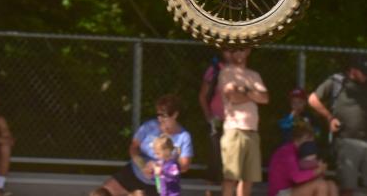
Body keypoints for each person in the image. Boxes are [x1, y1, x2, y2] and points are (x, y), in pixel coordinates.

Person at [308, 55, 367, 196]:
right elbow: (313, 99)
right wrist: (329, 117)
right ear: (353, 70)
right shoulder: (337, 81)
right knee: (347, 186)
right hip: (346, 140)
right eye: (363, 72)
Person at [101, 94, 192, 196]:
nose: (160, 119)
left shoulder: (184, 136)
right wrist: (142, 165)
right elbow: (134, 147)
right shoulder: (149, 126)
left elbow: (184, 166)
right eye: (158, 114)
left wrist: (161, 168)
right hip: (134, 172)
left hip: (159, 184)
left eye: (164, 115)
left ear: (175, 115)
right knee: (102, 193)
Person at [218, 48, 268, 196]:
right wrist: (252, 93)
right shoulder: (226, 73)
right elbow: (233, 97)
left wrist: (243, 90)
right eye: (234, 51)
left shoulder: (254, 75)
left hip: (252, 131)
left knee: (248, 179)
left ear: (248, 51)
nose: (238, 54)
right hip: (234, 130)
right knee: (230, 178)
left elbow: (265, 98)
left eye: (241, 50)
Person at [267, 121, 337, 196]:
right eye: (307, 139)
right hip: (280, 193)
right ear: (297, 139)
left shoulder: (302, 153)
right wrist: (317, 171)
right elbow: (296, 178)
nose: (310, 144)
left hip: (294, 189)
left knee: (331, 184)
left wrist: (319, 169)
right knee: (321, 185)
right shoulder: (287, 152)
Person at [199, 50, 231, 186]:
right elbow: (202, 95)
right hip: (217, 119)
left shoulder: (242, 70)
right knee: (215, 158)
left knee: (231, 161)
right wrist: (209, 117)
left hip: (235, 121)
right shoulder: (215, 70)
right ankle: (211, 190)